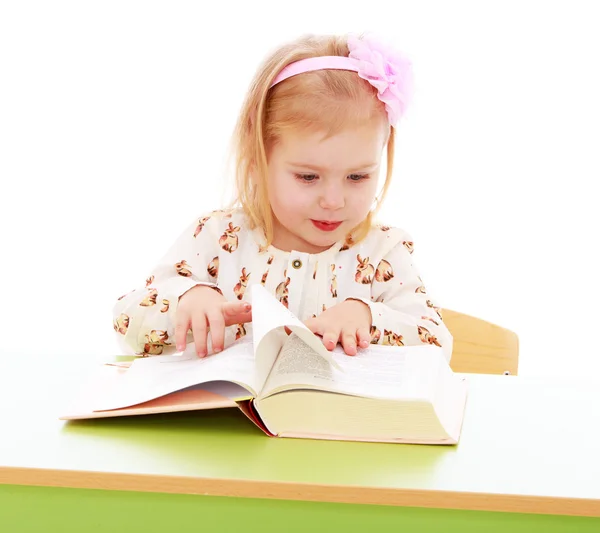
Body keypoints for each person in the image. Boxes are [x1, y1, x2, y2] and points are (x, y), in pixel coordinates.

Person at [112, 32, 453, 362]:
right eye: (308, 177)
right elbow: (126, 321)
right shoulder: (216, 239)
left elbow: (437, 341)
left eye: (357, 177)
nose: (334, 201)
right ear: (259, 157)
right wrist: (187, 298)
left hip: (336, 422)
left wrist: (368, 316)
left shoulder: (381, 254)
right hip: (218, 420)